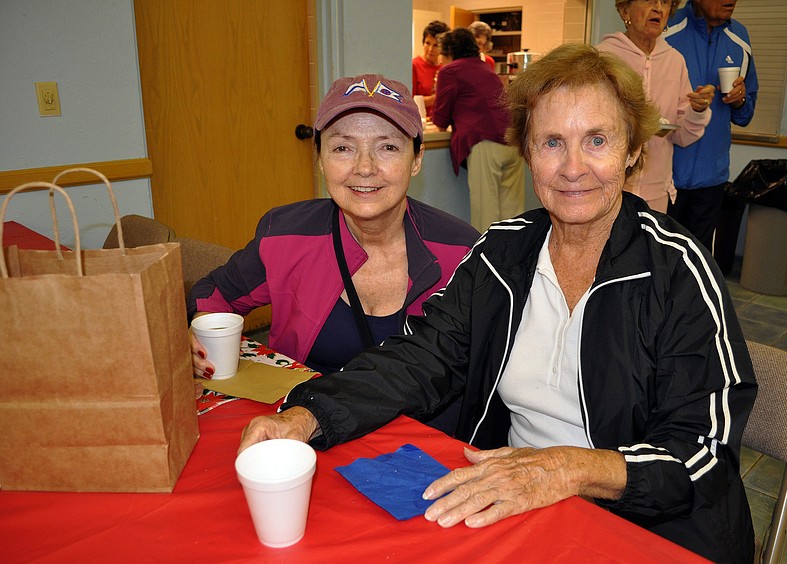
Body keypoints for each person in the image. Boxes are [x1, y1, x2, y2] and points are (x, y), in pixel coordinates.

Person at [238, 44, 757, 563]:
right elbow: (420, 357)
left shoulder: (678, 269)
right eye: (552, 142)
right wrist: (305, 415)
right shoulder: (503, 251)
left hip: (646, 526)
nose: (573, 168)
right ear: (528, 153)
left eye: (596, 140)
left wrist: (564, 469)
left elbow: (702, 456)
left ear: (631, 152)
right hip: (517, 504)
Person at [188, 73, 479, 384]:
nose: (365, 168)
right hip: (303, 420)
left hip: (419, 429)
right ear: (321, 160)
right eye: (343, 148)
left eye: (388, 148)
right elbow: (215, 293)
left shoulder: (463, 252)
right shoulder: (285, 235)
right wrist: (203, 328)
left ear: (416, 159)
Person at [597, 0, 713, 213]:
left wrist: (697, 110)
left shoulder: (675, 61)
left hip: (657, 194)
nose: (658, 8)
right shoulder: (603, 57)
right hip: (610, 188)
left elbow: (682, 136)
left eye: (666, 2)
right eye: (650, 0)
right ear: (625, 10)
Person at [664, 0, 758, 250]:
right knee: (656, 264)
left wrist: (739, 100)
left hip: (711, 180)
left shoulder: (740, 38)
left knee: (697, 266)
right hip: (663, 178)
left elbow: (745, 114)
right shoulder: (666, 29)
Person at [431, 27, 525, 232]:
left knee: (486, 214)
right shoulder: (484, 67)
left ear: (449, 51)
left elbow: (440, 118)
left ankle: (486, 262)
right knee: (513, 214)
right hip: (512, 142)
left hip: (485, 143)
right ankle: (516, 261)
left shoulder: (450, 71)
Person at [412, 20, 450, 118]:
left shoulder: (447, 67)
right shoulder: (414, 65)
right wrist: (436, 98)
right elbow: (409, 102)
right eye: (427, 43)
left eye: (435, 45)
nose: (430, 49)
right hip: (420, 121)